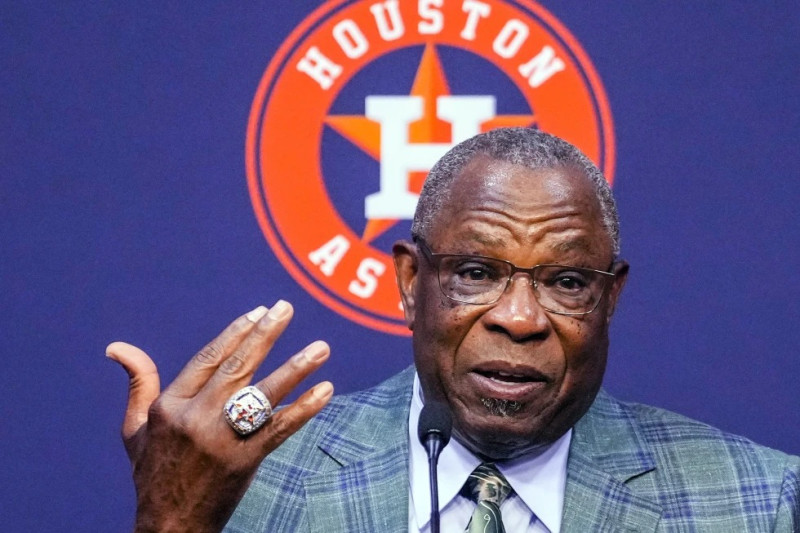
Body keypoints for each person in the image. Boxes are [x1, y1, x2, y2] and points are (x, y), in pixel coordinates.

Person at [108, 128, 800, 532]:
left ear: (610, 298)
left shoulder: (758, 503)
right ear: (412, 282)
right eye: (476, 271)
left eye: (565, 282)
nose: (520, 318)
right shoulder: (245, 488)